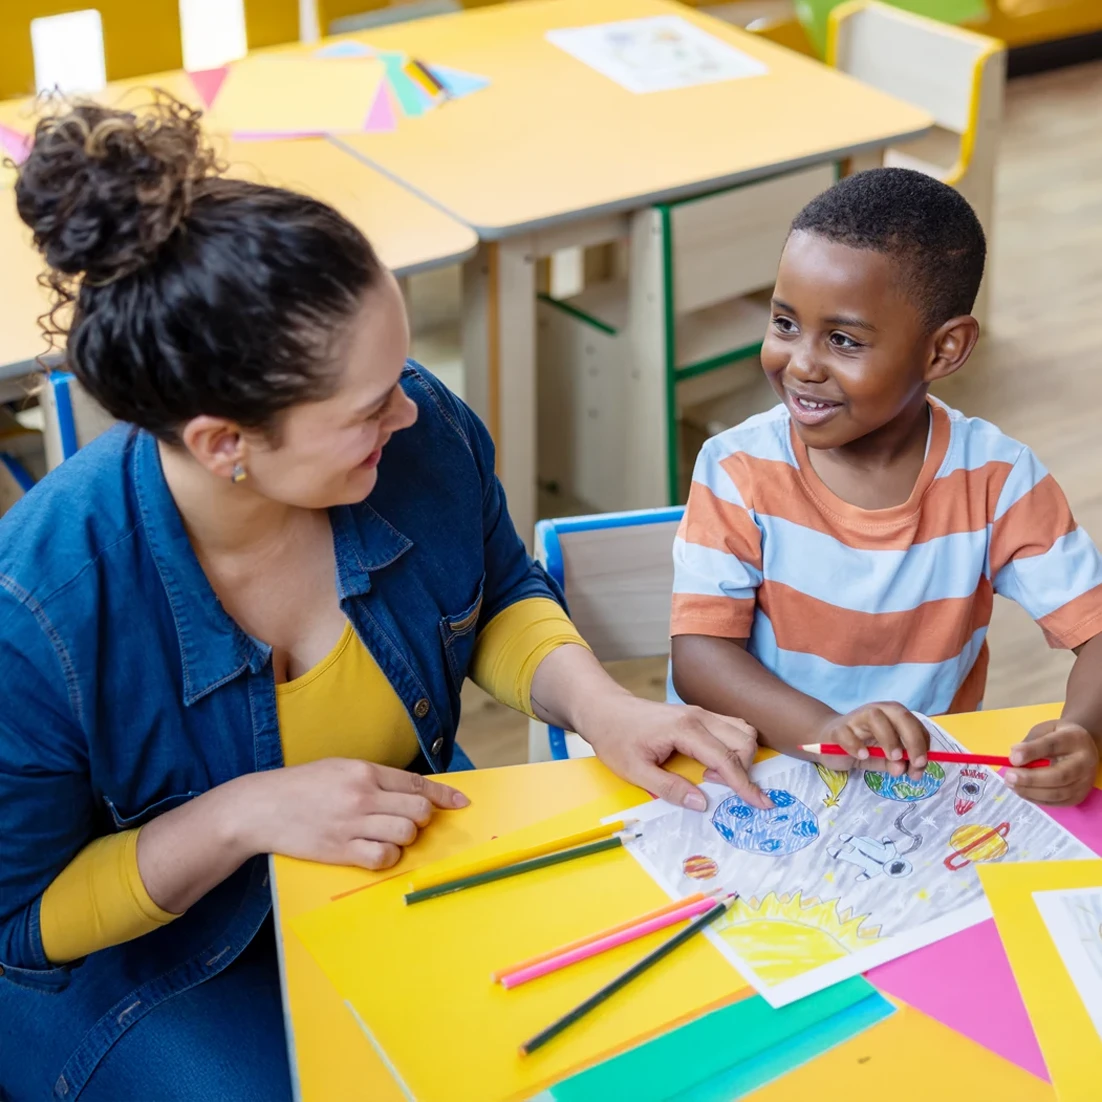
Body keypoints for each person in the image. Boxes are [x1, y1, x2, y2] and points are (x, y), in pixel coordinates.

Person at [0, 96, 767, 1102]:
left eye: (400, 372)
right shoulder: (41, 605)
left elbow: (494, 588)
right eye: (368, 408)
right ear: (226, 442)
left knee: (613, 1038)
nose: (410, 409)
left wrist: (602, 706)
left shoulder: (416, 429)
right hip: (152, 961)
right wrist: (242, 816)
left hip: (378, 857)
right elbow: (23, 924)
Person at [669, 167, 1102, 807]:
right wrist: (824, 731)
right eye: (785, 324)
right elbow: (700, 656)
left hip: (914, 794)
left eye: (843, 340)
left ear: (944, 350)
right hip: (759, 772)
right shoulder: (738, 467)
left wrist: (1082, 729)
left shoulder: (997, 479)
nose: (801, 364)